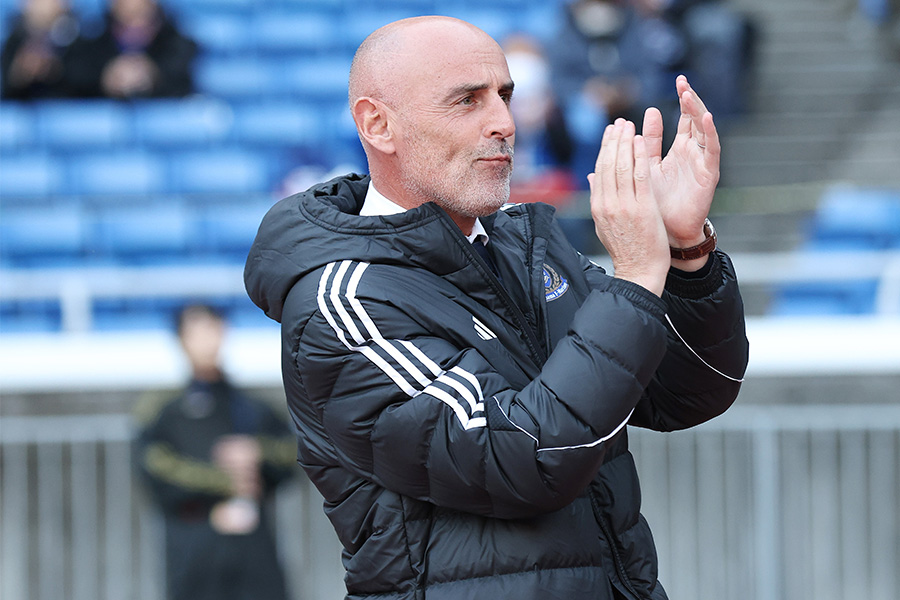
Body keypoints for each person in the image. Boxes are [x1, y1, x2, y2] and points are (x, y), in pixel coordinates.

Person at [244, 15, 748, 600]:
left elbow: (688, 392)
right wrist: (635, 275)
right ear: (378, 124)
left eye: (505, 96)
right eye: (467, 101)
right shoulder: (344, 302)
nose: (505, 123)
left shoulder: (525, 245)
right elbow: (522, 458)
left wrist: (685, 253)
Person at [133, 304, 297, 600]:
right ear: (181, 340)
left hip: (254, 556)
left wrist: (256, 452)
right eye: (196, 333)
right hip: (195, 555)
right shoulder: (164, 411)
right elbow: (153, 467)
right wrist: (224, 481)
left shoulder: (251, 406)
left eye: (212, 330)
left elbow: (293, 454)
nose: (207, 341)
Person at [68, 0, 196, 98]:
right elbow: (73, 80)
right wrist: (106, 77)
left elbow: (183, 81)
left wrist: (153, 75)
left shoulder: (177, 41)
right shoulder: (92, 36)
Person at [1, 0, 83, 99]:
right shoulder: (15, 41)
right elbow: (8, 89)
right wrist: (19, 73)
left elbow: (85, 86)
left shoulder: (77, 38)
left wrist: (56, 69)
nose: (44, 5)